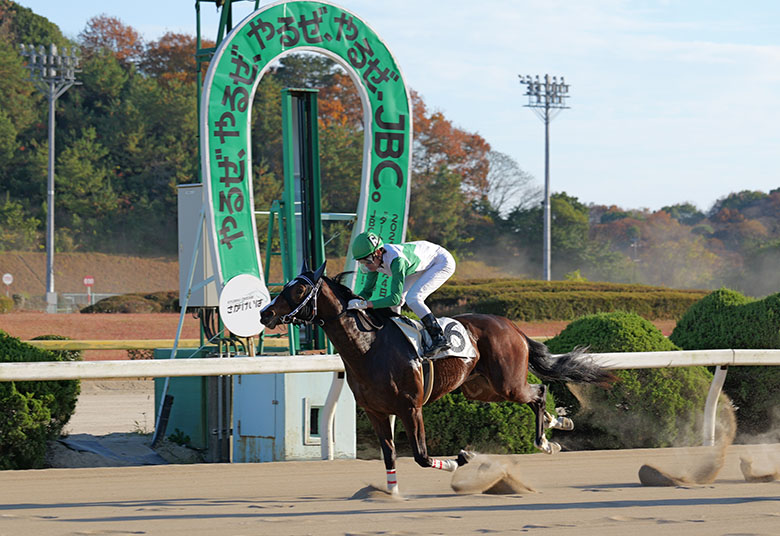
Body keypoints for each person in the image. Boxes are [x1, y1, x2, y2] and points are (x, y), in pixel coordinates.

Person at [347, 231, 456, 357]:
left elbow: (394, 298)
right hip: (419, 264)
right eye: (362, 262)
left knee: (413, 298)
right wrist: (351, 302)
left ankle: (439, 337)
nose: (366, 265)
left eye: (367, 261)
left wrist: (365, 304)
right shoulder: (375, 261)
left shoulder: (397, 262)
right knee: (400, 302)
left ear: (377, 252)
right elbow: (367, 291)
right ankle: (396, 335)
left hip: (441, 262)